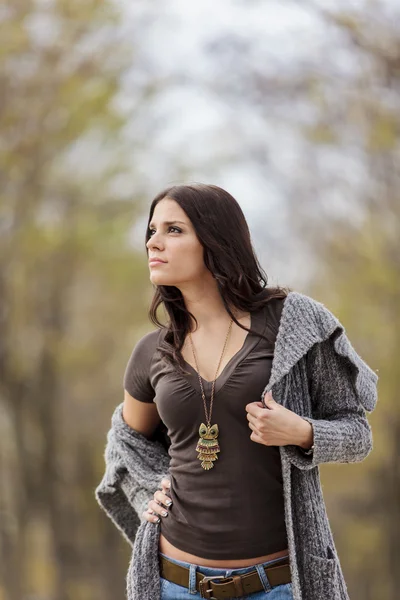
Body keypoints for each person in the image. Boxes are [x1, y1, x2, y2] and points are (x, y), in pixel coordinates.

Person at [96, 182, 378, 600]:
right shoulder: (152, 351)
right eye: (151, 231)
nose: (154, 243)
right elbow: (126, 441)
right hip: (174, 583)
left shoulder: (293, 325)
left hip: (278, 585)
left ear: (215, 240)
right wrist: (148, 490)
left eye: (173, 230)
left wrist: (301, 432)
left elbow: (358, 435)